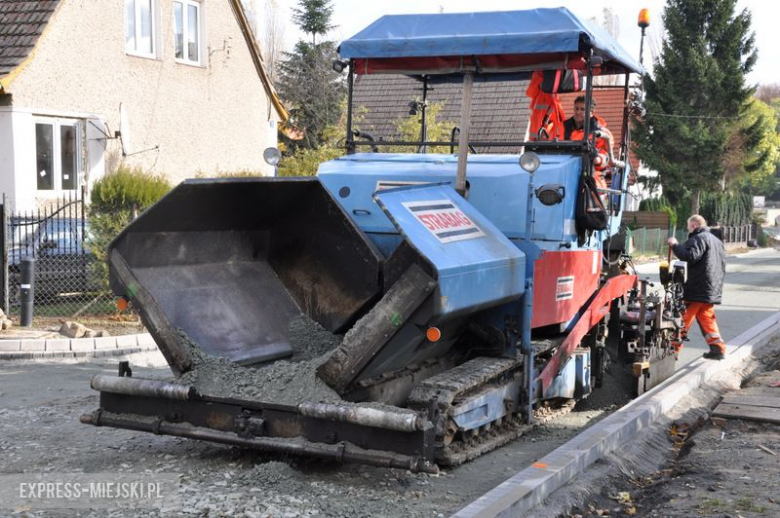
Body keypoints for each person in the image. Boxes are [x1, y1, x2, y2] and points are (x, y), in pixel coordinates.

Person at [668, 215, 727, 360]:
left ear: (694, 225)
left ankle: (671, 351)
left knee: (682, 319)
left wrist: (675, 245)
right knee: (707, 318)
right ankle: (717, 348)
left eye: (688, 226)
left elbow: (690, 256)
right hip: (710, 288)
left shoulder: (699, 238)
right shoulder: (716, 241)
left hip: (696, 289)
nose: (688, 229)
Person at [563, 96, 614, 188]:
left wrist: (597, 159)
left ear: (592, 112)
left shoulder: (602, 134)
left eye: (582, 109)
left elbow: (607, 158)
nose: (578, 112)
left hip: (591, 172)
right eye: (576, 108)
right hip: (564, 169)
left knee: (594, 184)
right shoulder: (562, 127)